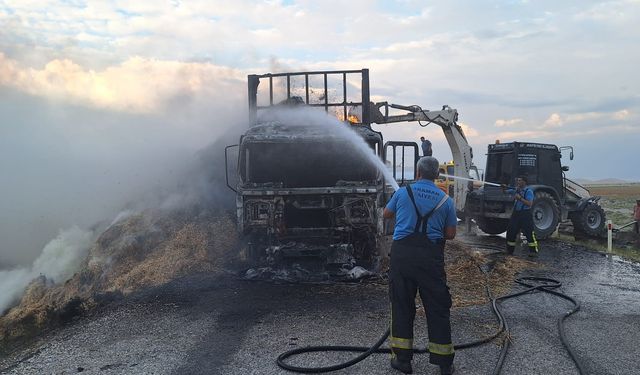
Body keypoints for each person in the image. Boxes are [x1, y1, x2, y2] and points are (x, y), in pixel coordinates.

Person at [383, 156, 457, 375]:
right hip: (430, 260)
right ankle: (444, 363)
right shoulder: (446, 201)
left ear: (417, 173)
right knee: (438, 308)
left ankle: (403, 361)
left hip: (402, 257)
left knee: (402, 306)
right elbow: (451, 234)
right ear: (437, 175)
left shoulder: (402, 192)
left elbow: (386, 214)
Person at [503, 176, 538, 256]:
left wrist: (520, 198)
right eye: (517, 180)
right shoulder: (516, 190)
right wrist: (503, 188)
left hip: (525, 214)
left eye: (519, 180)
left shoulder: (529, 192)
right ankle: (510, 250)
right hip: (516, 214)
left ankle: (533, 251)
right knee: (511, 231)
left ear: (524, 182)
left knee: (529, 232)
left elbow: (529, 204)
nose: (518, 182)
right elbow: (505, 192)